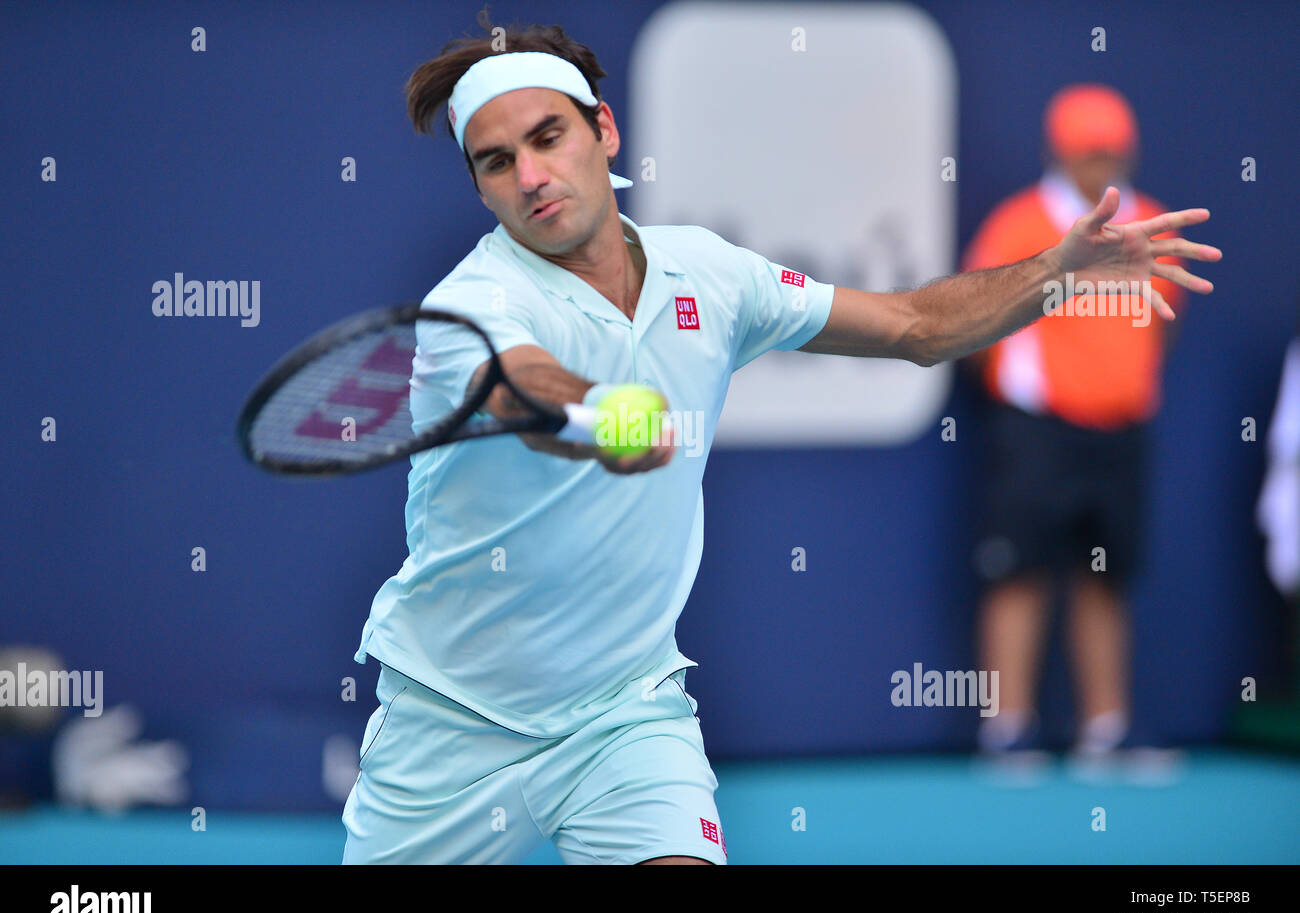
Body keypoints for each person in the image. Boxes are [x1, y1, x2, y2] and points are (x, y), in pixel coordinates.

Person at [341, 28, 1219, 863]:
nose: (532, 175)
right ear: (481, 188)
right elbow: (529, 383)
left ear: (604, 131)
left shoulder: (709, 274)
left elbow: (914, 324)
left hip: (622, 712)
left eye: (549, 137)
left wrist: (1055, 268)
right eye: (499, 162)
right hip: (452, 721)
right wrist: (606, 418)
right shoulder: (475, 306)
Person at [962, 84, 1194, 775]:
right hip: (1037, 431)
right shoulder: (1019, 222)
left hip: (1120, 433)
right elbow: (974, 320)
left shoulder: (1152, 223)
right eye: (1089, 151)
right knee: (1019, 574)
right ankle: (1007, 732)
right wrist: (1030, 388)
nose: (1102, 164)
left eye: (1112, 151)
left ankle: (1105, 731)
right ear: (1059, 152)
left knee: (1105, 578)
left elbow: (1164, 323)